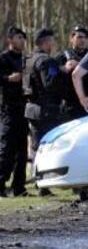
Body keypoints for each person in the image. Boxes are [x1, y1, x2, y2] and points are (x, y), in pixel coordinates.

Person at [24, 28, 65, 170]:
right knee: (49, 145)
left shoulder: (29, 59)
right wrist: (61, 71)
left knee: (36, 145)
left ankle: (35, 175)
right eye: (52, 41)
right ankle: (46, 176)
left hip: (32, 109)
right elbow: (50, 84)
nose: (53, 44)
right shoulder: (47, 60)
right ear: (46, 42)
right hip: (46, 111)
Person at [0, 27, 29, 197]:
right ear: (10, 40)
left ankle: (19, 186)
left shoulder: (25, 59)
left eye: (23, 38)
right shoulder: (3, 58)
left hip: (24, 108)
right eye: (19, 37)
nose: (22, 41)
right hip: (8, 109)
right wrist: (7, 79)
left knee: (22, 151)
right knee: (6, 148)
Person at [55, 25, 88, 121]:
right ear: (71, 39)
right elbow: (52, 74)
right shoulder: (63, 56)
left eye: (85, 37)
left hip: (87, 101)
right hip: (69, 104)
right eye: (79, 37)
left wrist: (79, 66)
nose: (83, 40)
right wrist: (64, 68)